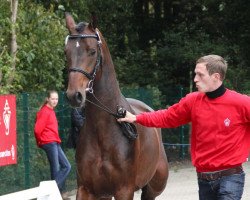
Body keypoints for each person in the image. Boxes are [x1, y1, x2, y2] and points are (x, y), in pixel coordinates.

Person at [118, 55, 250, 200]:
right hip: (203, 179)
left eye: (200, 75)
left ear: (216, 77)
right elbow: (166, 117)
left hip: (231, 178)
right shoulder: (192, 101)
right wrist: (136, 118)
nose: (195, 79)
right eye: (195, 74)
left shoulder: (241, 103)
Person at [34, 90, 71, 199]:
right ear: (48, 99)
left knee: (66, 166)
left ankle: (52, 192)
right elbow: (37, 130)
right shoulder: (45, 111)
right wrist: (40, 141)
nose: (55, 101)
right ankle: (53, 194)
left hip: (54, 142)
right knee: (56, 168)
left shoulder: (51, 111)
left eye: (56, 99)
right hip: (49, 142)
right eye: (53, 99)